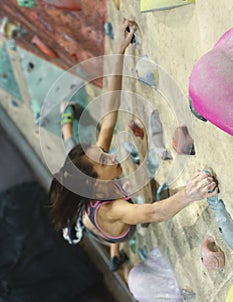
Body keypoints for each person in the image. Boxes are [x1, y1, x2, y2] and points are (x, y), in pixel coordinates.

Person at [49, 18, 218, 272]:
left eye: (103, 152)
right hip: (109, 231)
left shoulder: (96, 164)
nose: (110, 154)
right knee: (121, 230)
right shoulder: (112, 210)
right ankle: (105, 248)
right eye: (104, 160)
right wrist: (190, 193)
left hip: (87, 199)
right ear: (96, 182)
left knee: (72, 146)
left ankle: (66, 122)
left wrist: (119, 50)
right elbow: (152, 214)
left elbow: (109, 112)